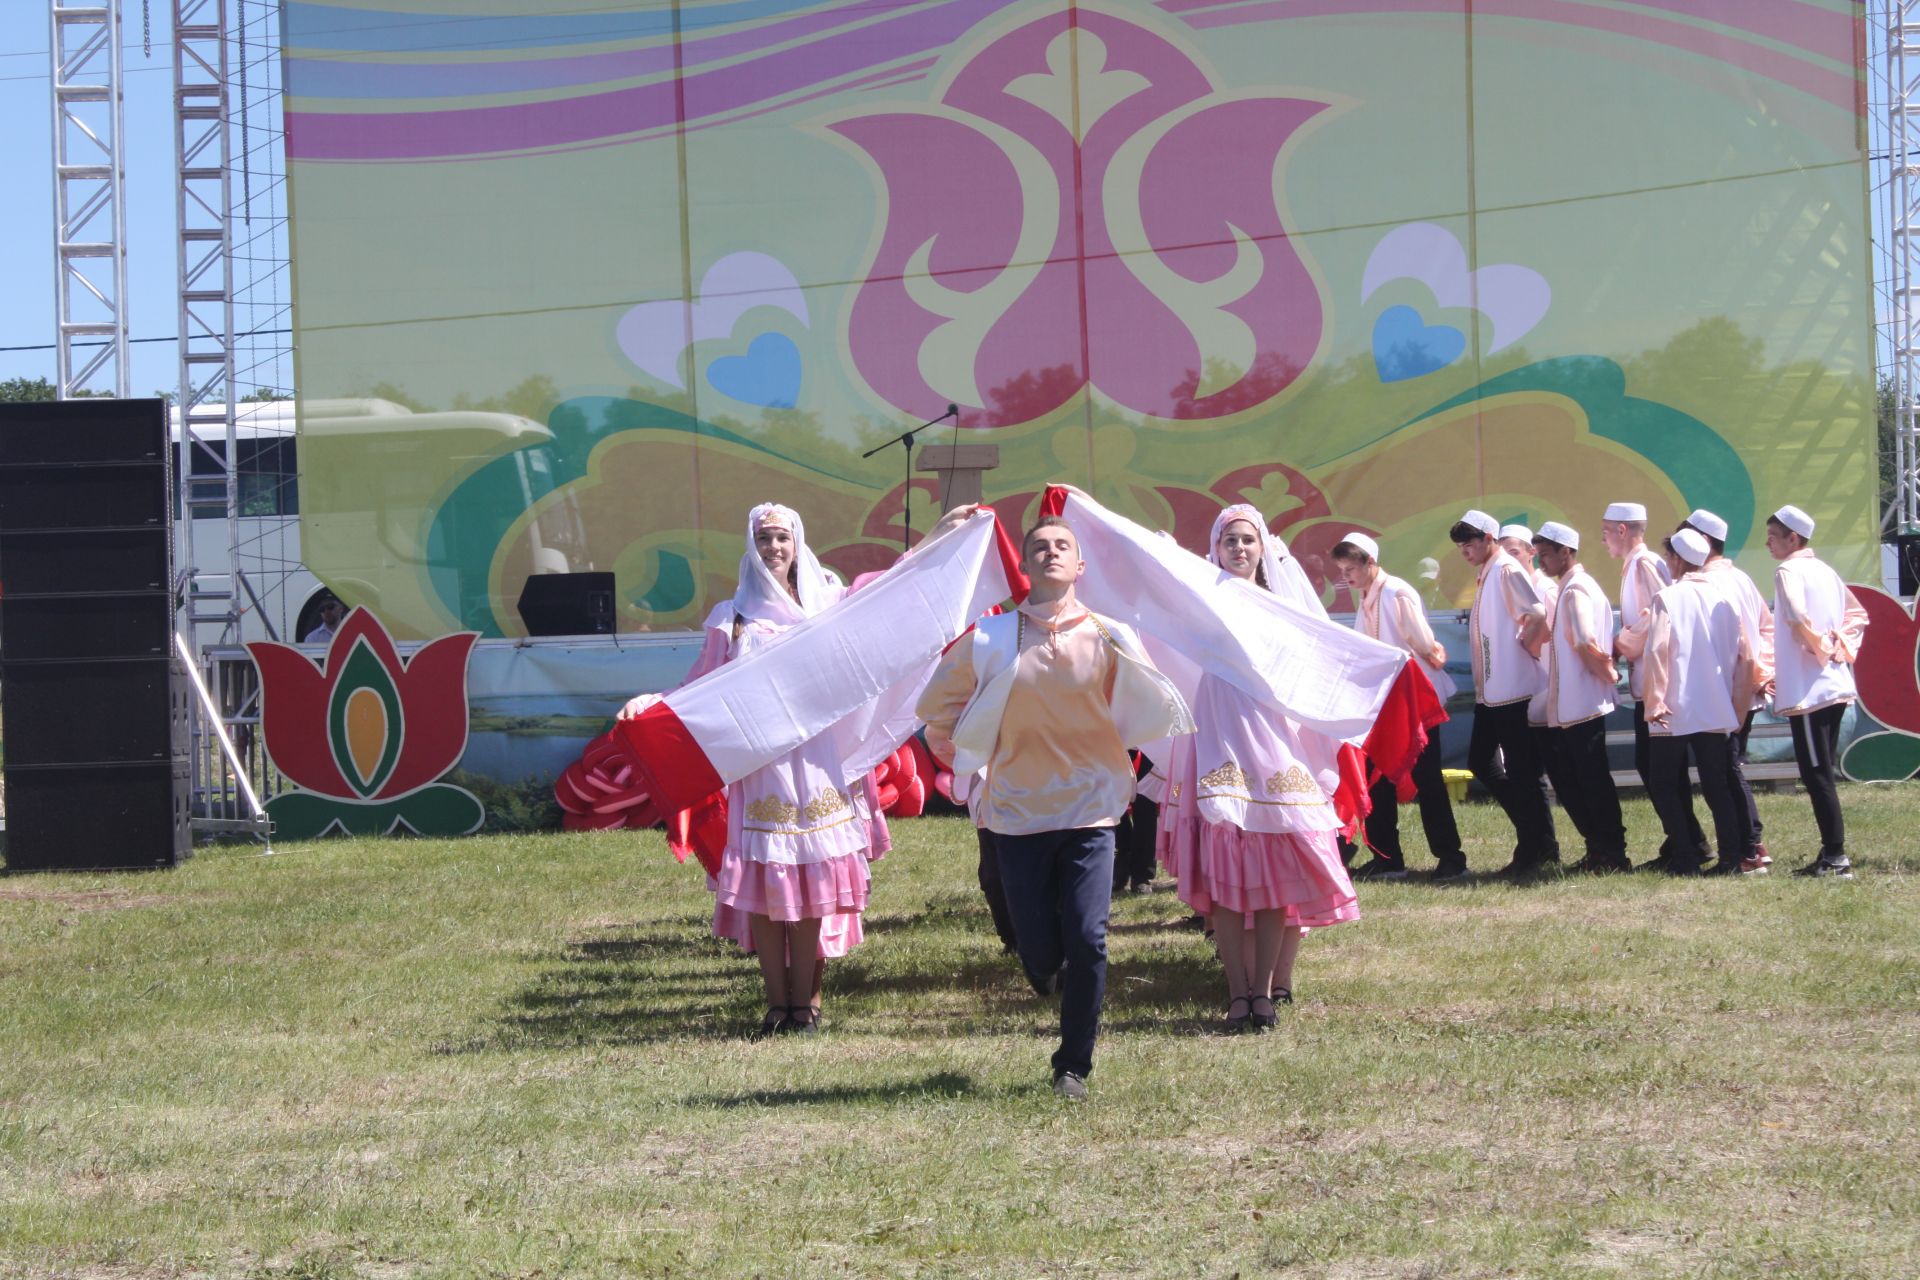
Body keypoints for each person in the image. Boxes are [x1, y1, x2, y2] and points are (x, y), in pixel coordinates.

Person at [917, 513, 1190, 1100]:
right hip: (1016, 809)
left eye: (1062, 545)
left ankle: (1073, 1066)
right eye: (1038, 546)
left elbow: (1147, 705)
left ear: (1080, 565)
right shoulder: (990, 637)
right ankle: (1045, 970)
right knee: (1039, 946)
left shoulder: (1111, 634)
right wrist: (969, 756)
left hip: (1091, 806)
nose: (1050, 553)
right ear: (1024, 563)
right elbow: (937, 707)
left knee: (1089, 939)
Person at [630, 503, 890, 1036]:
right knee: (770, 888)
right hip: (761, 765)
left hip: (818, 760)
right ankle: (777, 1004)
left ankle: (809, 1002)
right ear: (751, 546)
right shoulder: (734, 616)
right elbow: (701, 681)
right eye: (764, 538)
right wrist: (653, 704)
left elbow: (887, 601)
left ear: (799, 544)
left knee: (815, 879)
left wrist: (936, 545)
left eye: (782, 538)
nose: (774, 548)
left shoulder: (828, 603)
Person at [1157, 506, 1358, 1032]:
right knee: (1226, 876)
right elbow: (1161, 606)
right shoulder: (1207, 595)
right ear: (1216, 548)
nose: (1240, 548)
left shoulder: (1277, 606)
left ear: (1263, 548)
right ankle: (1236, 992)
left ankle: (1265, 991)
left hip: (1268, 736)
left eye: (1248, 540)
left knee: (1272, 870)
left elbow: (1313, 659)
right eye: (1230, 541)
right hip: (1218, 730)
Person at [1331, 531, 1463, 880]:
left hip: (1412, 701)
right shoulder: (1368, 596)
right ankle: (1387, 857)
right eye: (1342, 569)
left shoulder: (1394, 591)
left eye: (1351, 568)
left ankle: (1451, 857)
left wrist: (1435, 657)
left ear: (1370, 563)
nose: (1346, 576)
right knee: (1377, 778)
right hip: (1385, 704)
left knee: (1427, 779)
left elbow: (1421, 641)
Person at [1640, 528, 1755, 875]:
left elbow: (1658, 651)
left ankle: (1687, 858)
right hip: (1716, 706)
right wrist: (1738, 706)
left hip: (1674, 707)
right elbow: (1746, 658)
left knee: (1663, 784)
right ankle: (1732, 859)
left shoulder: (1668, 597)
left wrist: (1654, 700)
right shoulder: (1725, 597)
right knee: (1717, 785)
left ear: (1675, 559)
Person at [1452, 508, 1557, 877]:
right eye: (1461, 547)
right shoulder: (1488, 573)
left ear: (1488, 539)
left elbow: (1537, 614)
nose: (1465, 552)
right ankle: (1539, 839)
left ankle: (1534, 847)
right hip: (1492, 690)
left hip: (1511, 689)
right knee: (1483, 762)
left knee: (1522, 772)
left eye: (1470, 544)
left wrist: (1526, 650)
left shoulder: (1506, 569)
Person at [1765, 505, 1869, 878]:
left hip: (1810, 690)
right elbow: (1858, 615)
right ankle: (1832, 852)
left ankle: (1836, 856)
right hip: (1834, 683)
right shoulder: (1825, 570)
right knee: (1818, 770)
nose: (1768, 545)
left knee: (1816, 773)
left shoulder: (1788, 570)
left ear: (1793, 538)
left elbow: (1793, 614)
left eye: (1773, 537)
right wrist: (1835, 643)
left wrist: (1816, 644)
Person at [1602, 500, 1705, 870]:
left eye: (1605, 532)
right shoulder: (1634, 566)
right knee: (1656, 769)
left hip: (1659, 685)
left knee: (1659, 770)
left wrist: (1621, 642)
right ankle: (1685, 840)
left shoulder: (1645, 564)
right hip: (1648, 682)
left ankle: (1687, 845)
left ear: (1623, 530)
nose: (1604, 541)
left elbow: (1664, 613)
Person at [1530, 523, 1628, 872]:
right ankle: (1601, 849)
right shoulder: (1573, 586)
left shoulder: (1575, 590)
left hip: (1583, 703)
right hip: (1577, 702)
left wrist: (1608, 674)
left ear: (1565, 552)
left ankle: (1611, 852)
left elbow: (1585, 641)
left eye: (1544, 555)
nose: (1541, 562)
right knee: (1581, 780)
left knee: (1590, 781)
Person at [1684, 508, 1774, 874]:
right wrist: (1762, 675)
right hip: (1743, 688)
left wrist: (1748, 676)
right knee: (1728, 767)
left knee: (1723, 772)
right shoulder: (1741, 578)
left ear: (1703, 543)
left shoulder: (1712, 582)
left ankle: (1748, 847)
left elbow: (1740, 642)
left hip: (1726, 691)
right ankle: (1751, 844)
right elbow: (1766, 631)